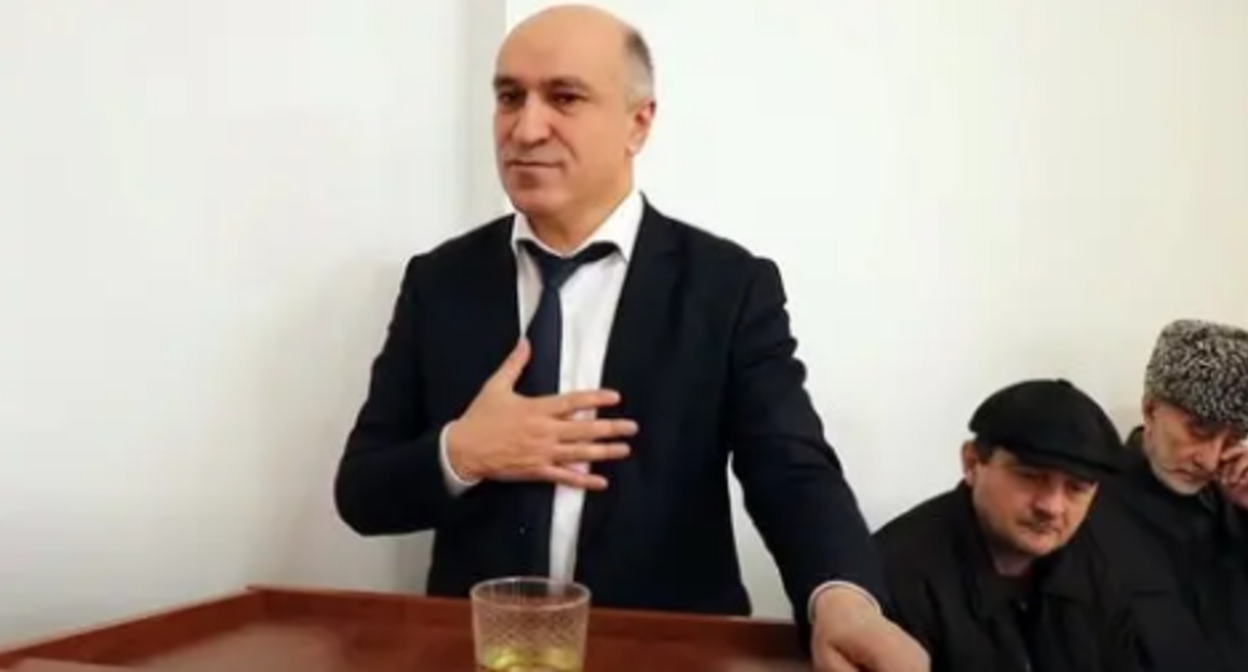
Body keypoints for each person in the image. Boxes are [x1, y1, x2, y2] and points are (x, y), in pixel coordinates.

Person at [332, 4, 927, 670]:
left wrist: (844, 600)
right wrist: (462, 451)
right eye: (509, 97)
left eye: (564, 97)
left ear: (638, 123)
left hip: (665, 654)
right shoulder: (439, 282)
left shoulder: (727, 287)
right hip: (481, 653)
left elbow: (790, 468)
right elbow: (361, 493)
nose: (526, 128)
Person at [874, 379, 1143, 672]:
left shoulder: (1094, 559)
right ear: (972, 463)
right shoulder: (896, 574)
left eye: (1076, 488)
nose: (1051, 507)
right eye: (1030, 476)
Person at [1085, 319, 1248, 672]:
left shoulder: (1234, 502)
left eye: (1233, 440)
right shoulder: (1085, 507)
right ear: (1150, 410)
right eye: (1199, 430)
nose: (1209, 461)